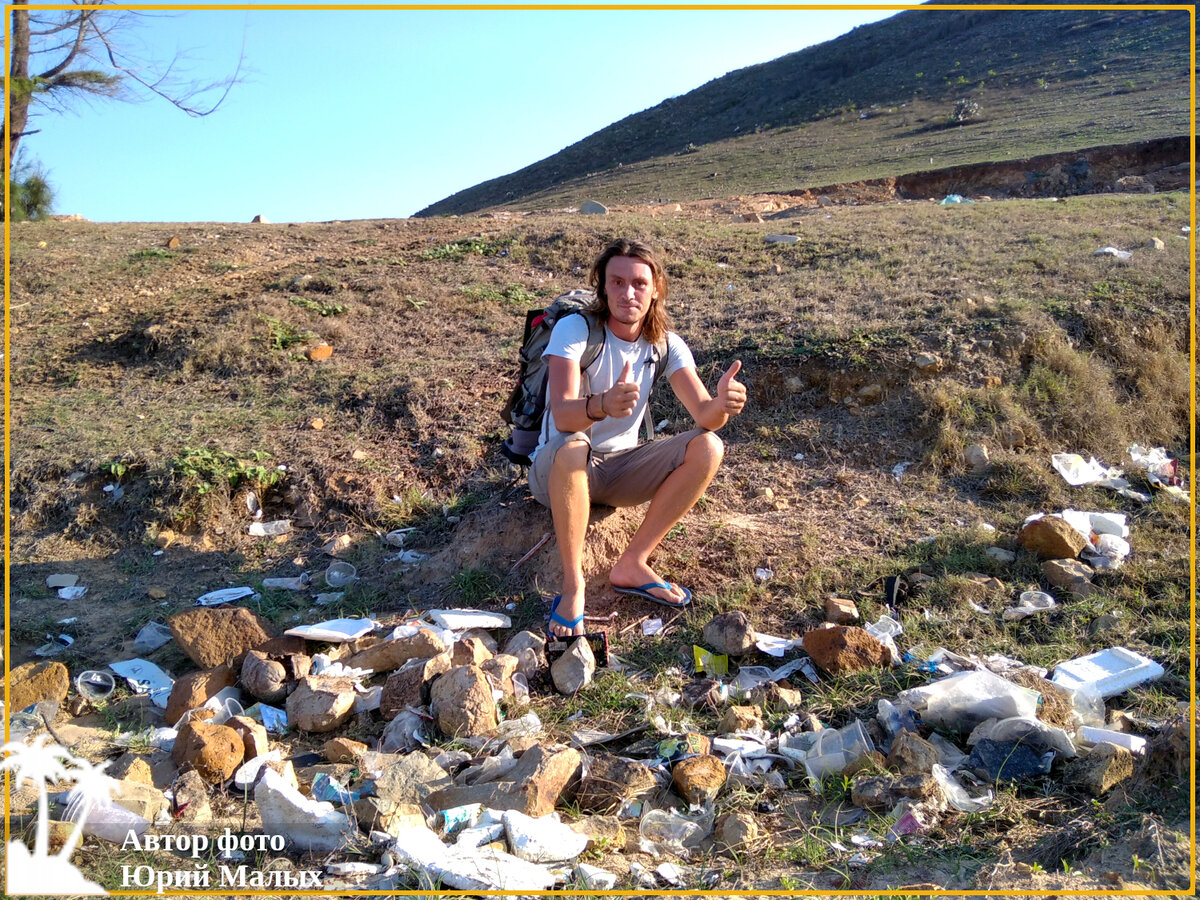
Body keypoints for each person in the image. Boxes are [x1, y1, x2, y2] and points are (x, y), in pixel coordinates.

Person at [528, 237, 747, 637]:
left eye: (639, 284)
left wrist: (723, 403)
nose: (628, 293)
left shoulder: (666, 344)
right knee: (575, 442)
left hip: (619, 471)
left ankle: (633, 563)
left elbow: (704, 416)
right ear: (603, 286)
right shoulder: (575, 330)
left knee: (708, 445)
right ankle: (573, 586)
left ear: (655, 289)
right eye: (617, 282)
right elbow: (562, 414)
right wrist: (602, 405)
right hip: (558, 468)